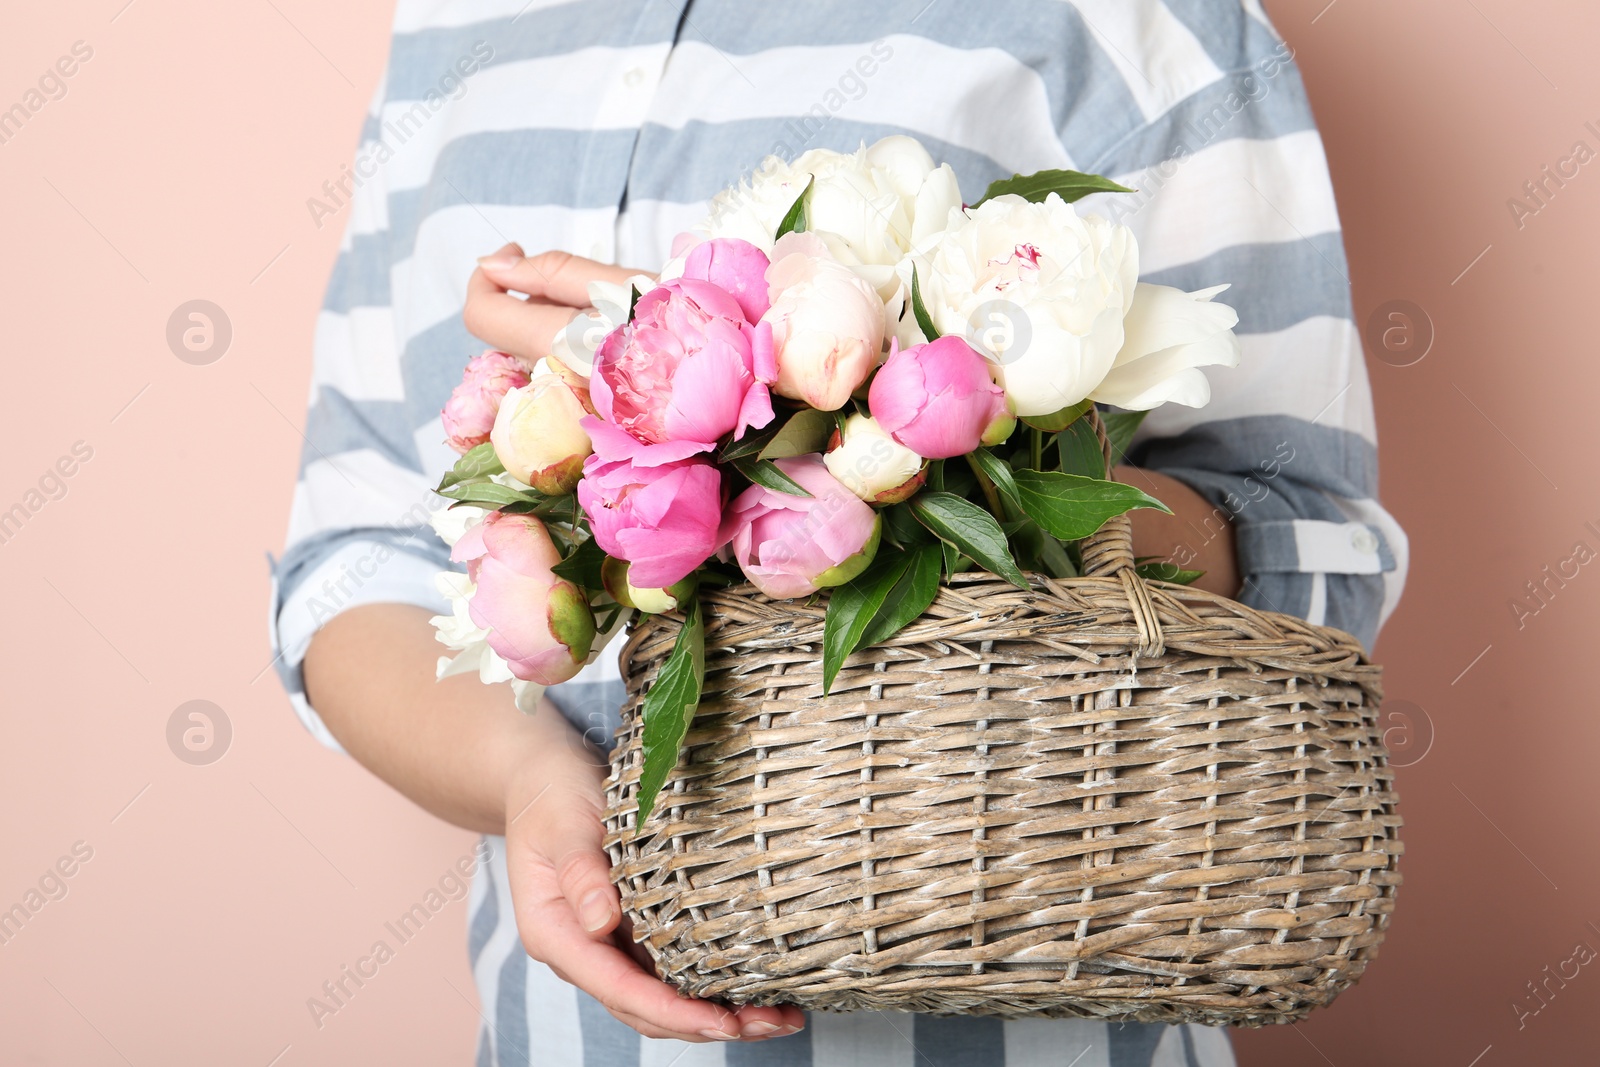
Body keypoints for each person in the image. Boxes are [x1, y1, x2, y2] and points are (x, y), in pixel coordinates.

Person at [271, 2, 1407, 1064]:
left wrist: (887, 427)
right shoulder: (455, 24)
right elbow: (354, 564)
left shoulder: (1123, 22)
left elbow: (1307, 550)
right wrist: (535, 782)